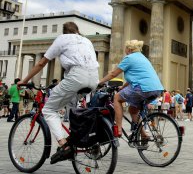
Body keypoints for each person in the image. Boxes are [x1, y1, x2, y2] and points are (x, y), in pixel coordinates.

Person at [18, 22, 99, 164]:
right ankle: (85, 139)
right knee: (75, 109)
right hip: (94, 79)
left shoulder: (62, 38)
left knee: (49, 109)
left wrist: (24, 80)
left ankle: (64, 145)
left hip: (76, 76)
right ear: (77, 30)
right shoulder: (87, 40)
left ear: (64, 31)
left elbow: (41, 63)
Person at [98, 39, 163, 139]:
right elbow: (135, 78)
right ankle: (143, 135)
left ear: (129, 49)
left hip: (142, 88)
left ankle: (118, 128)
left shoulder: (129, 58)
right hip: (156, 89)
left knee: (117, 98)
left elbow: (113, 74)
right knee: (133, 110)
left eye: (125, 48)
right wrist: (122, 87)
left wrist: (100, 82)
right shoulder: (143, 58)